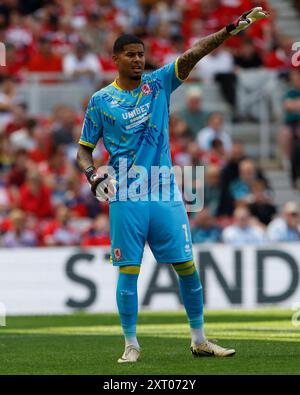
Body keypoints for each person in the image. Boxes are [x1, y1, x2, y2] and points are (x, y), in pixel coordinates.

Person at [76, 7, 268, 363]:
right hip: (127, 194)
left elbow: (194, 53)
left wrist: (229, 29)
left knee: (187, 268)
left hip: (165, 192)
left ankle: (199, 340)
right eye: (130, 55)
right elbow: (83, 152)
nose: (137, 60)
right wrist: (92, 175)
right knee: (128, 272)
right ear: (115, 58)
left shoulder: (159, 82)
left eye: (141, 54)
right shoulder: (101, 101)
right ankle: (131, 344)